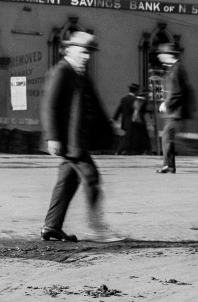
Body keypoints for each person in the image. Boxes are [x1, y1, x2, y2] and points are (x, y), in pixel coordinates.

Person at [39, 31, 122, 242]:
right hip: (69, 141)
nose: (86, 56)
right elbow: (50, 106)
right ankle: (97, 229)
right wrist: (52, 137)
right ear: (69, 49)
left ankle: (51, 226)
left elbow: (94, 104)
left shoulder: (80, 74)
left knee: (67, 181)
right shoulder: (61, 72)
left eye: (89, 53)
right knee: (91, 177)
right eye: (83, 52)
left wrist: (110, 129)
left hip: (77, 140)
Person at [155, 42, 193, 173]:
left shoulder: (177, 68)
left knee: (167, 135)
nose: (159, 57)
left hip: (177, 110)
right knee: (168, 136)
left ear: (168, 55)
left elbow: (178, 90)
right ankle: (169, 165)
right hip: (174, 110)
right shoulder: (173, 68)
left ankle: (169, 165)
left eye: (161, 54)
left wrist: (166, 103)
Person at [113, 85, 140, 154]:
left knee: (128, 137)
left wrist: (114, 118)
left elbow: (119, 109)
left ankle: (128, 152)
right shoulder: (134, 100)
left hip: (124, 121)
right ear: (136, 91)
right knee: (127, 138)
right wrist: (136, 119)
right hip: (131, 122)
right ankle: (118, 151)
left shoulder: (124, 99)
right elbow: (136, 111)